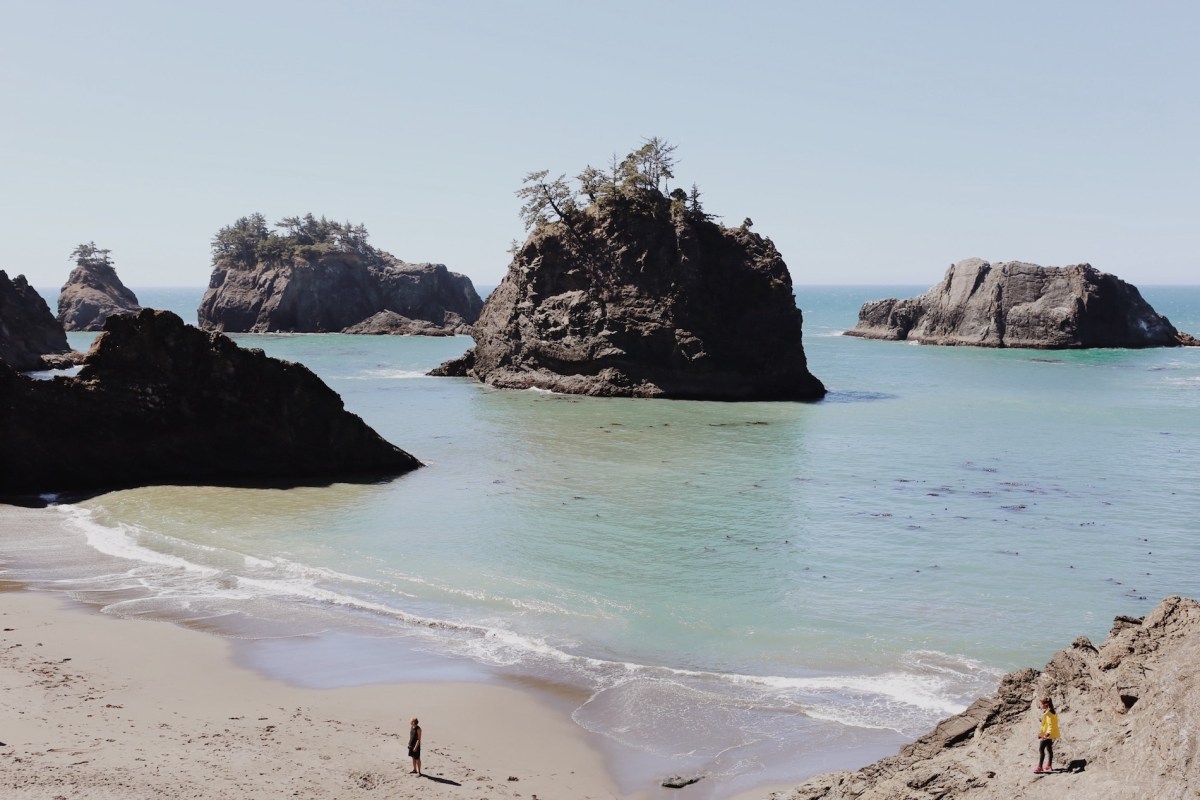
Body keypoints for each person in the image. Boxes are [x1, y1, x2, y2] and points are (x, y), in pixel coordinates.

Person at [1035, 696, 1059, 773]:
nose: (1041, 705)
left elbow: (1050, 725)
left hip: (1047, 734)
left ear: (1046, 704)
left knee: (1041, 749)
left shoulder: (1048, 714)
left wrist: (1047, 734)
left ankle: (1040, 767)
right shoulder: (1052, 711)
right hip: (1050, 734)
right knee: (1049, 749)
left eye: (1042, 704)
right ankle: (1049, 765)